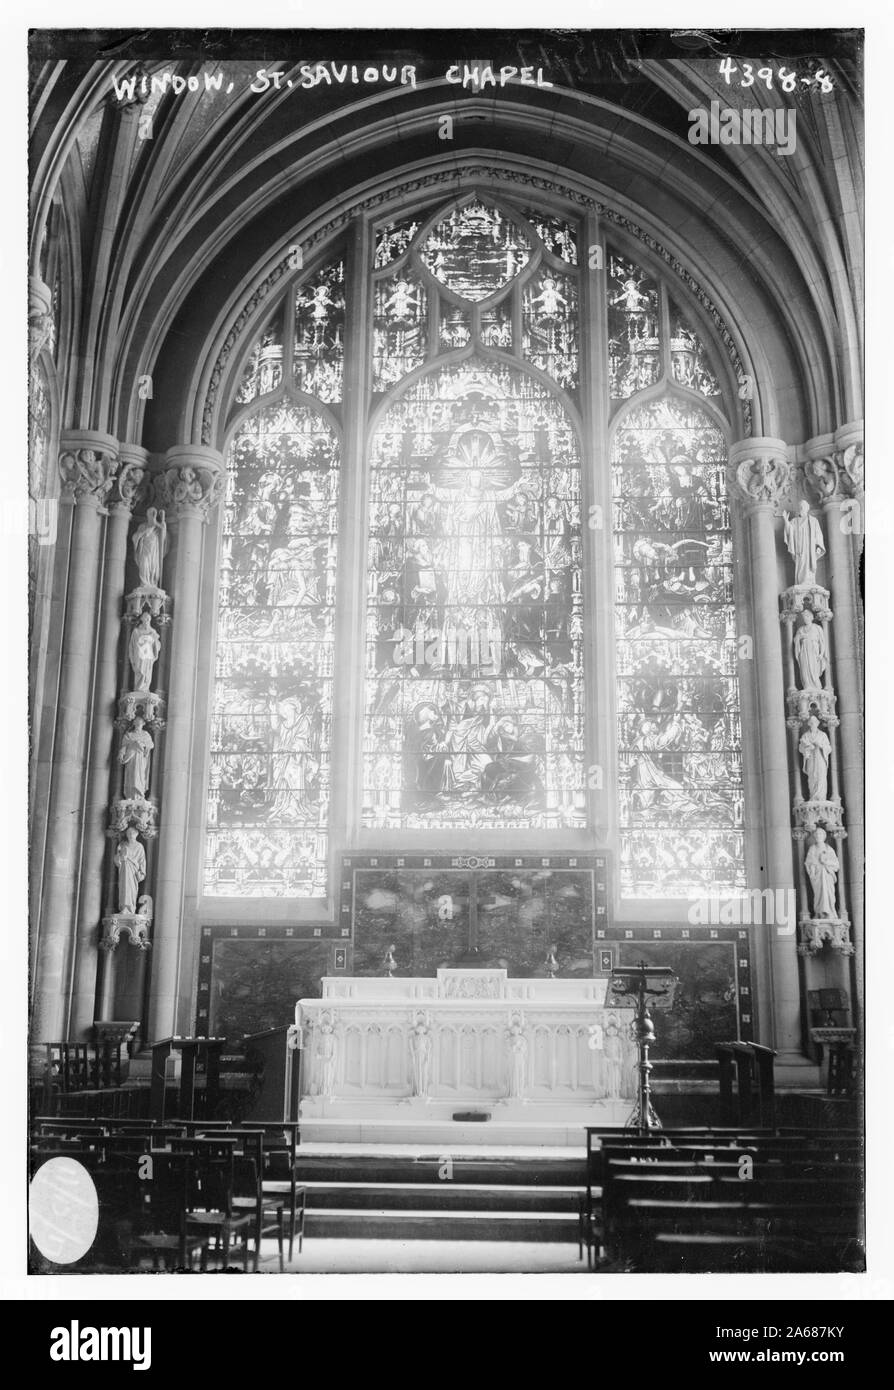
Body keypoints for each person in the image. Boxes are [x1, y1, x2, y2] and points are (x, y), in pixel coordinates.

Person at [131, 507, 167, 589]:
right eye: (150, 513)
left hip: (154, 551)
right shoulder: (143, 526)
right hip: (144, 549)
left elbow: (164, 537)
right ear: (147, 515)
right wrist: (144, 532)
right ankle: (144, 583)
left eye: (153, 514)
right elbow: (135, 537)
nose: (152, 515)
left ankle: (152, 583)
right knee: (144, 563)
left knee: (153, 567)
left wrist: (159, 524)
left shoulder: (158, 527)